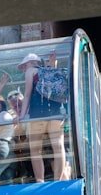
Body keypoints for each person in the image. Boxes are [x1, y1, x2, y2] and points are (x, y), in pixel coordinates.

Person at [16, 53, 69, 182]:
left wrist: (21, 116)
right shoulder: (50, 71)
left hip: (37, 115)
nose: (24, 69)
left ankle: (40, 180)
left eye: (24, 66)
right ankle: (58, 179)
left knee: (35, 149)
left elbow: (27, 94)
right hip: (56, 113)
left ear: (30, 63)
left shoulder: (30, 71)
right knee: (58, 146)